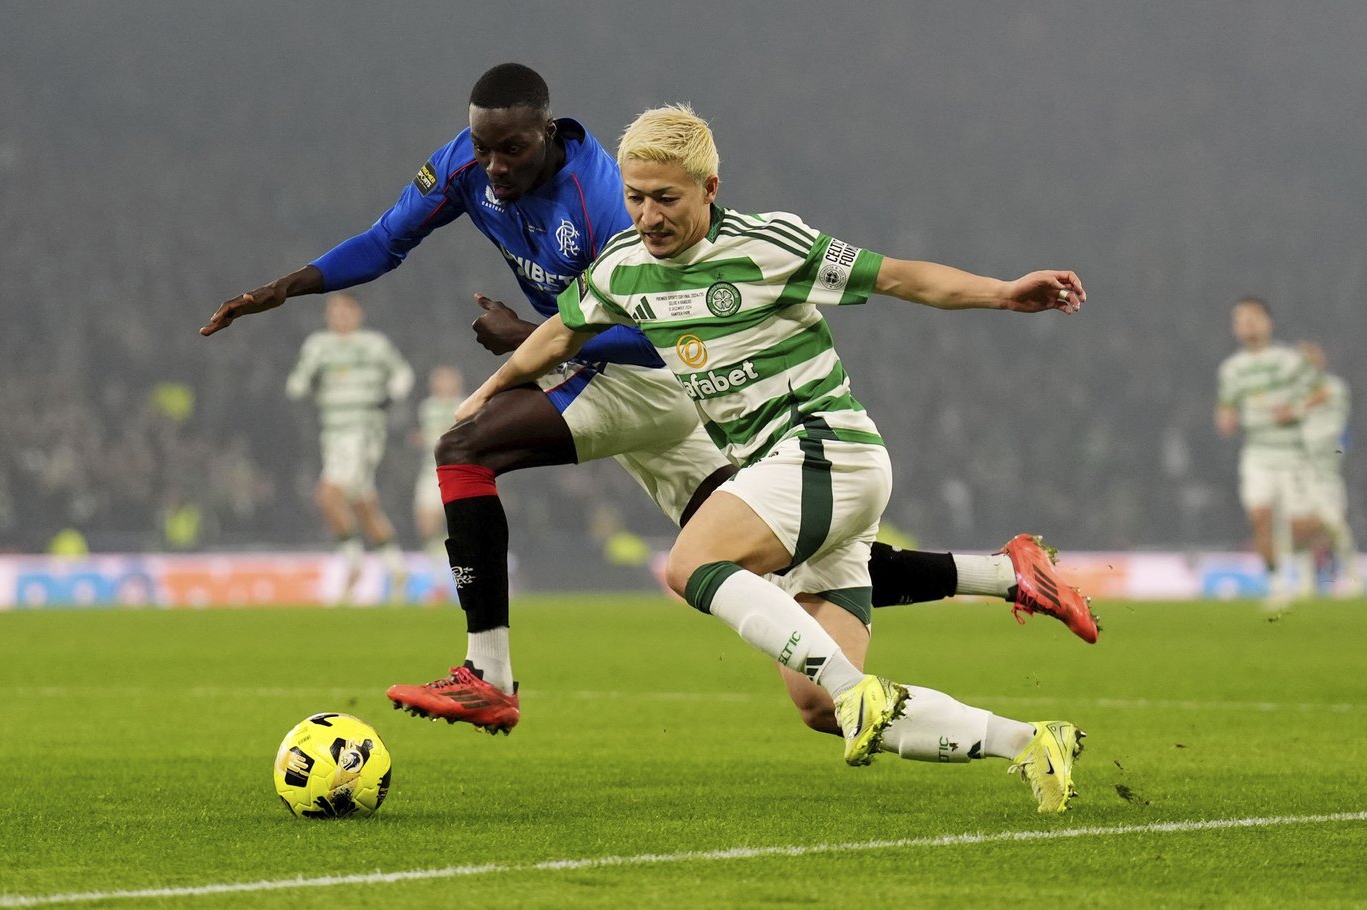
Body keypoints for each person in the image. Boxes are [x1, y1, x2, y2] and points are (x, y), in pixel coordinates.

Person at [201, 63, 1096, 737]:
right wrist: (288, 287)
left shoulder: (610, 207)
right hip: (634, 381)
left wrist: (530, 342)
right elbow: (387, 239)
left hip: (657, 380)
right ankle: (1002, 572)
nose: (490, 166)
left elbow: (654, 320)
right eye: (479, 147)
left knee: (465, 451)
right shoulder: (476, 167)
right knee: (778, 573)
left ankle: (490, 675)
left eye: (508, 150)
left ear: (549, 134)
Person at [453, 103, 1089, 812]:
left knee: (691, 564)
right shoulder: (623, 268)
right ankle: (1032, 741)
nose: (649, 216)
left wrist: (1003, 293)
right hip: (781, 475)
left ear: (709, 188)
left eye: (666, 198)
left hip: (825, 449)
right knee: (818, 704)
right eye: (635, 198)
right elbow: (559, 335)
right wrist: (491, 388)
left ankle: (866, 686)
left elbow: (899, 277)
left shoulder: (770, 243)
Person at [285, 292, 414, 602]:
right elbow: (296, 387)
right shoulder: (318, 346)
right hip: (332, 434)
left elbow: (403, 375)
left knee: (327, 494)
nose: (339, 316)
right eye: (334, 311)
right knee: (363, 504)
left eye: (345, 310)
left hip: (362, 432)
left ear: (359, 313)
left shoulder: (374, 344)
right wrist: (311, 373)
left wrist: (387, 400)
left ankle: (353, 563)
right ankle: (396, 568)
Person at [1215, 297, 1325, 605]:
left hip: (1294, 454)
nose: (1247, 323)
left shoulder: (1288, 360)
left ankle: (1303, 563)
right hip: (1258, 454)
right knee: (1259, 516)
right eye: (1240, 319)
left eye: (1253, 317)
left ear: (1268, 322)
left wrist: (1294, 409)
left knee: (1301, 525)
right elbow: (1225, 409)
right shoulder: (1232, 369)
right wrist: (1226, 420)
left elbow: (1321, 392)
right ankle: (1277, 583)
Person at [1295, 342, 1362, 596]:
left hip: (1326, 470)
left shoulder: (1334, 387)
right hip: (1302, 469)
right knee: (1302, 528)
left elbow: (1317, 398)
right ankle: (1306, 583)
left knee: (1334, 525)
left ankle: (1354, 578)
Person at [413, 364, 464, 567]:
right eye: (438, 379)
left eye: (446, 379)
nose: (442, 384)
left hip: (459, 471)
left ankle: (457, 560)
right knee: (424, 523)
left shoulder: (464, 405)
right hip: (431, 471)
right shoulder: (427, 407)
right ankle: (437, 559)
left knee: (459, 521)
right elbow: (431, 437)